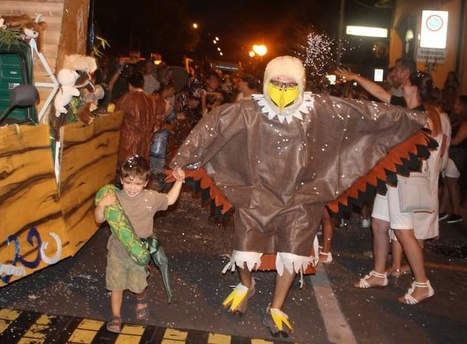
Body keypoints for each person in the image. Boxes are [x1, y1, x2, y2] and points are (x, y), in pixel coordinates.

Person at [173, 56, 429, 336]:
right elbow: (213, 126)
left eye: (290, 83)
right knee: (244, 250)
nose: (283, 88)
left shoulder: (319, 109)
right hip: (256, 195)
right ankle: (246, 284)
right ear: (267, 82)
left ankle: (277, 307)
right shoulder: (247, 111)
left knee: (292, 255)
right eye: (277, 82)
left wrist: (412, 119)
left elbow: (366, 115)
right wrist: (181, 161)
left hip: (301, 198)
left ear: (301, 84)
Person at [336, 67, 437, 304]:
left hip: (403, 178)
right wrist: (355, 77)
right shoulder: (403, 105)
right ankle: (379, 274)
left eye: (404, 80)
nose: (400, 82)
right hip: (389, 176)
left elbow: (430, 137)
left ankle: (423, 284)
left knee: (403, 231)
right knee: (379, 224)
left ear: (411, 86)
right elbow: (379, 92)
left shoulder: (423, 115)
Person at [94, 156, 186, 333]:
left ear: (146, 183)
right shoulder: (114, 198)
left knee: (138, 285)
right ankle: (115, 316)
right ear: (121, 180)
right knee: (116, 284)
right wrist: (101, 206)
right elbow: (98, 219)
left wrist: (179, 181)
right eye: (128, 182)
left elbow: (170, 200)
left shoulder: (150, 198)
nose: (132, 188)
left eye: (137, 183)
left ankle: (141, 298)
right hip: (117, 250)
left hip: (139, 251)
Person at [114, 71, 166, 164]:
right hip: (145, 143)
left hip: (129, 143)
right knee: (140, 169)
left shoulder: (128, 97)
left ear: (129, 84)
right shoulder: (151, 99)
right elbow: (158, 121)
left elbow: (115, 116)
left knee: (127, 170)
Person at [447, 95, 467, 208]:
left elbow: (456, 141)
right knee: (448, 183)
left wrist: (441, 140)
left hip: (459, 156)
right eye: (455, 103)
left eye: (459, 104)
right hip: (454, 154)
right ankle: (444, 210)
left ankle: (456, 211)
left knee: (452, 183)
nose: (455, 106)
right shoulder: (457, 120)